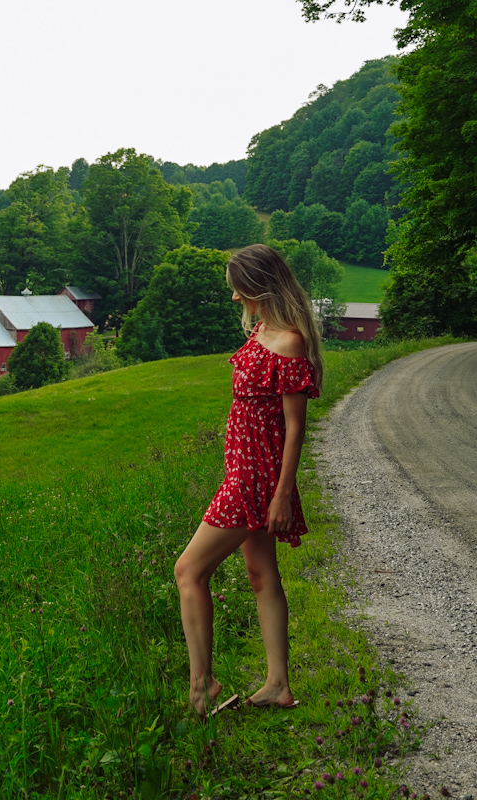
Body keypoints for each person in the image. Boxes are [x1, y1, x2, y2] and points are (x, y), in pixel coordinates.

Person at [173, 244, 325, 717]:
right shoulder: (262, 329)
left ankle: (202, 687)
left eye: (239, 289)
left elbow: (295, 429)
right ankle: (278, 685)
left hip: (256, 479)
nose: (235, 299)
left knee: (188, 571)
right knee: (262, 576)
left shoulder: (291, 341)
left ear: (259, 286)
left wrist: (281, 496)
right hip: (243, 470)